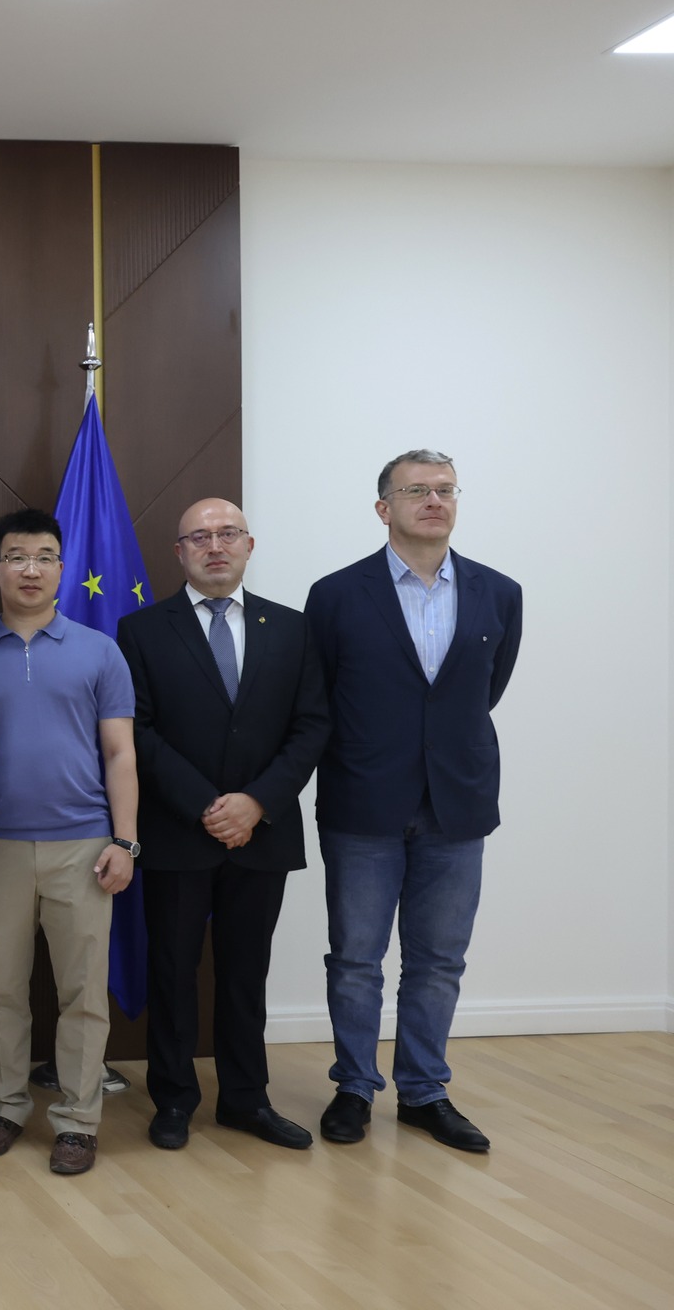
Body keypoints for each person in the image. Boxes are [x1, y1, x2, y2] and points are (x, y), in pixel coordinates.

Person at [305, 449, 522, 1153]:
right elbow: (320, 699)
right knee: (356, 959)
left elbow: (483, 691)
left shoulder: (499, 592)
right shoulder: (336, 595)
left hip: (457, 804)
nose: (435, 501)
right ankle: (354, 1088)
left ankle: (425, 1093)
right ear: (384, 508)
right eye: (417, 490)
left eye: (446, 489)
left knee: (439, 962)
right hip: (363, 802)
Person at [115, 499, 329, 1151]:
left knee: (245, 974)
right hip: (179, 830)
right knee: (172, 972)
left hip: (262, 832)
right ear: (179, 552)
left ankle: (245, 1099)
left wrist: (256, 802)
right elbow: (137, 730)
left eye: (228, 533)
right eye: (200, 537)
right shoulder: (140, 630)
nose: (216, 546)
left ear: (249, 545)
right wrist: (208, 805)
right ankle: (174, 1099)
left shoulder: (293, 628)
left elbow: (312, 725)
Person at [0, 507, 136, 1177]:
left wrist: (125, 841)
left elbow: (120, 753)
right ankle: (6, 1105)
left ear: (62, 569)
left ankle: (78, 1119)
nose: (31, 569)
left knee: (82, 992)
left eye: (45, 557)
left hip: (84, 847)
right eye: (17, 557)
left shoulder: (99, 650)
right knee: (1, 988)